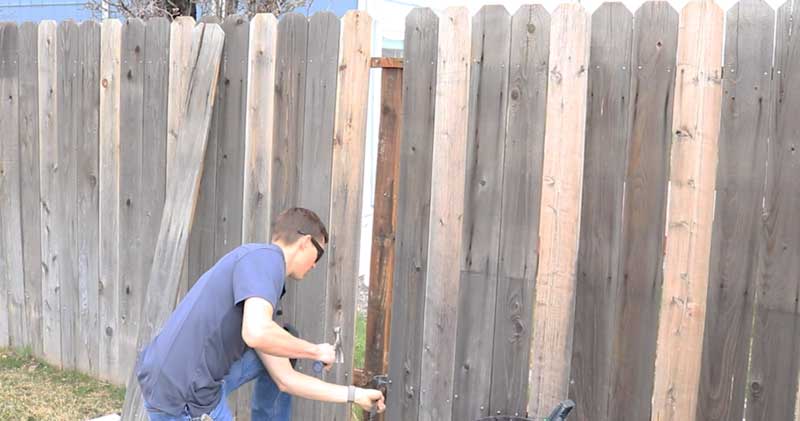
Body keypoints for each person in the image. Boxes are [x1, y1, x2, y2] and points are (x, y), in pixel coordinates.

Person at [135, 207, 386, 421]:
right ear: (305, 242)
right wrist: (315, 350)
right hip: (182, 397)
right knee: (279, 340)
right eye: (318, 254)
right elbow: (256, 333)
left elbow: (285, 378)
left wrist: (354, 395)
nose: (315, 264)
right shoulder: (266, 260)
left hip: (185, 383)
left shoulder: (257, 271)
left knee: (285, 341)